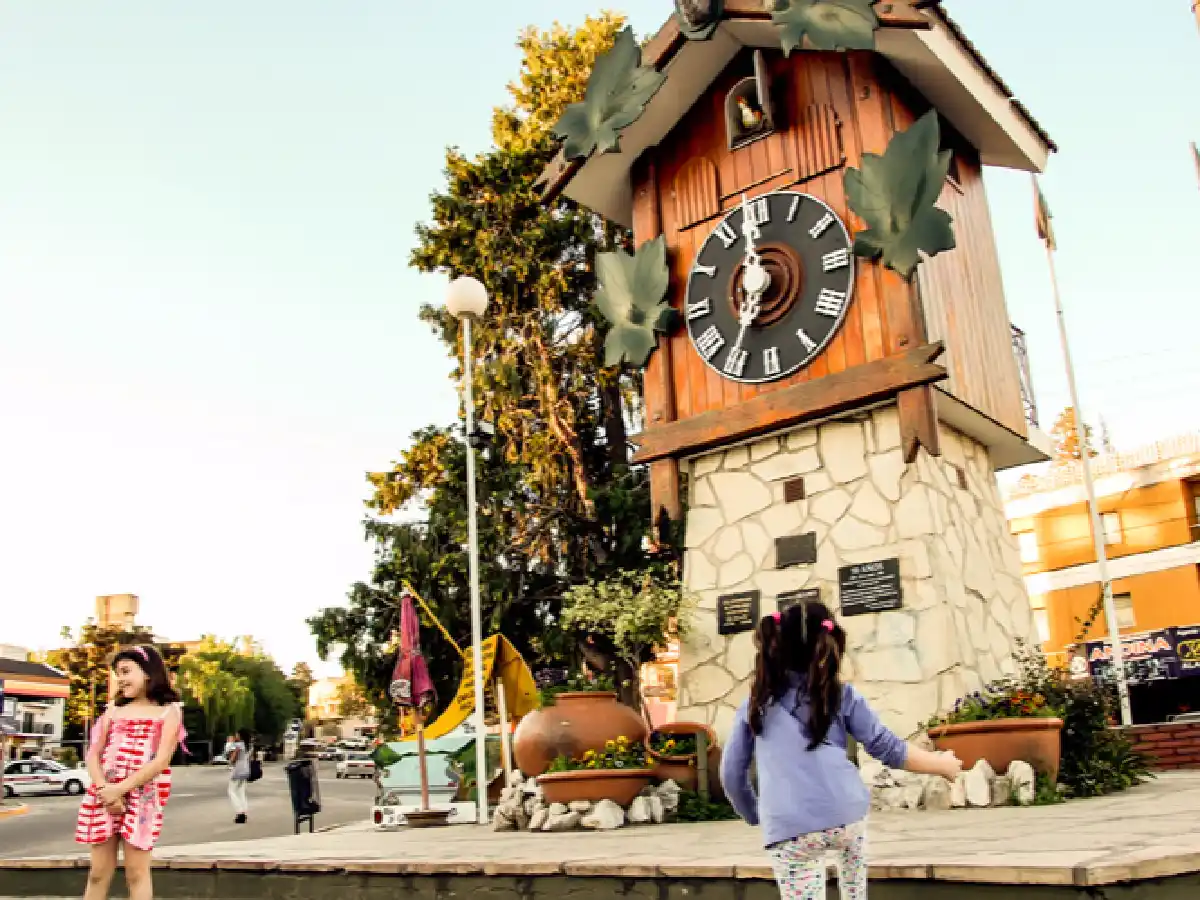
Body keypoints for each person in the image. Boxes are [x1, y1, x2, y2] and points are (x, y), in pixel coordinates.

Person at [721, 603, 964, 900]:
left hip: (790, 827)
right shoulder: (841, 695)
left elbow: (731, 773)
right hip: (847, 816)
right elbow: (886, 746)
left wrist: (753, 813)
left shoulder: (755, 705)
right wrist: (941, 765)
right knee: (854, 891)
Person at [76, 645, 183, 900]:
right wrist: (106, 790)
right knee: (97, 873)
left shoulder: (169, 711)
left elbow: (161, 761)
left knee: (136, 873)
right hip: (104, 795)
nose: (120, 679)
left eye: (126, 671)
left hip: (143, 797)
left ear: (147, 672)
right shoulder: (113, 709)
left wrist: (120, 790)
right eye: (117, 674)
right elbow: (93, 753)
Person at [226, 728, 252, 824]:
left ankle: (239, 811)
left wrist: (230, 744)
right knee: (241, 792)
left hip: (238, 769)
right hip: (245, 768)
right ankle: (244, 811)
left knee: (231, 791)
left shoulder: (239, 745)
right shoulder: (249, 746)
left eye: (237, 734)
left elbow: (232, 758)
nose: (235, 736)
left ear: (240, 735)